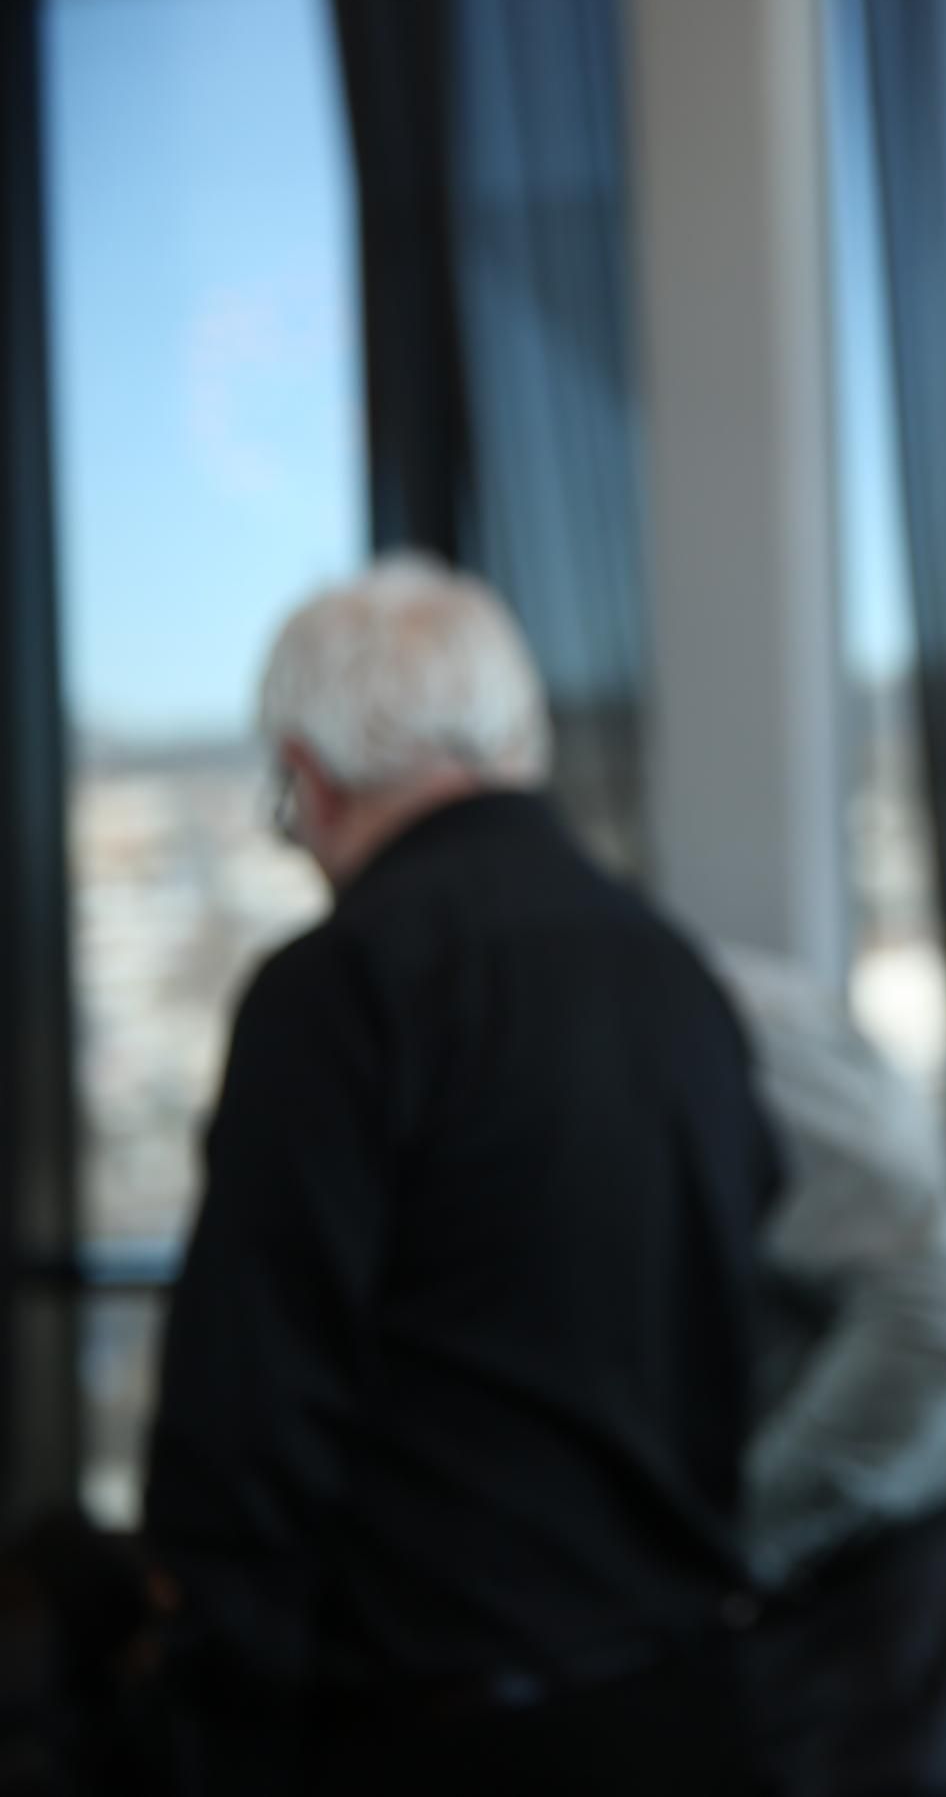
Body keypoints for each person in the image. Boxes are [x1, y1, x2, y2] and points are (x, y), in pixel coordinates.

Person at [142, 557, 779, 1797]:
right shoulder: (675, 970)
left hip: (435, 1735)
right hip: (693, 1711)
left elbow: (249, 1403)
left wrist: (211, 1700)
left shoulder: (337, 987)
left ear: (310, 778)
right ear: (514, 738)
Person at [710, 947, 946, 1797]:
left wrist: (735, 1534)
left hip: (895, 1577)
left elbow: (937, 1310)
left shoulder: (728, 1021)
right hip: (836, 1582)